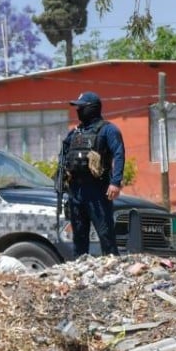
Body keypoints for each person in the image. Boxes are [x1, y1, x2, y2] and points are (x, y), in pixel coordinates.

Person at [58, 91, 126, 258]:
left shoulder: (107, 130)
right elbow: (64, 155)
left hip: (97, 189)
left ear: (92, 108)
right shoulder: (75, 133)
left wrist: (115, 182)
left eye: (81, 108)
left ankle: (112, 267)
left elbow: (119, 153)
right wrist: (62, 180)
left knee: (105, 234)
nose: (78, 111)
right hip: (76, 191)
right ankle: (81, 270)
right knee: (79, 236)